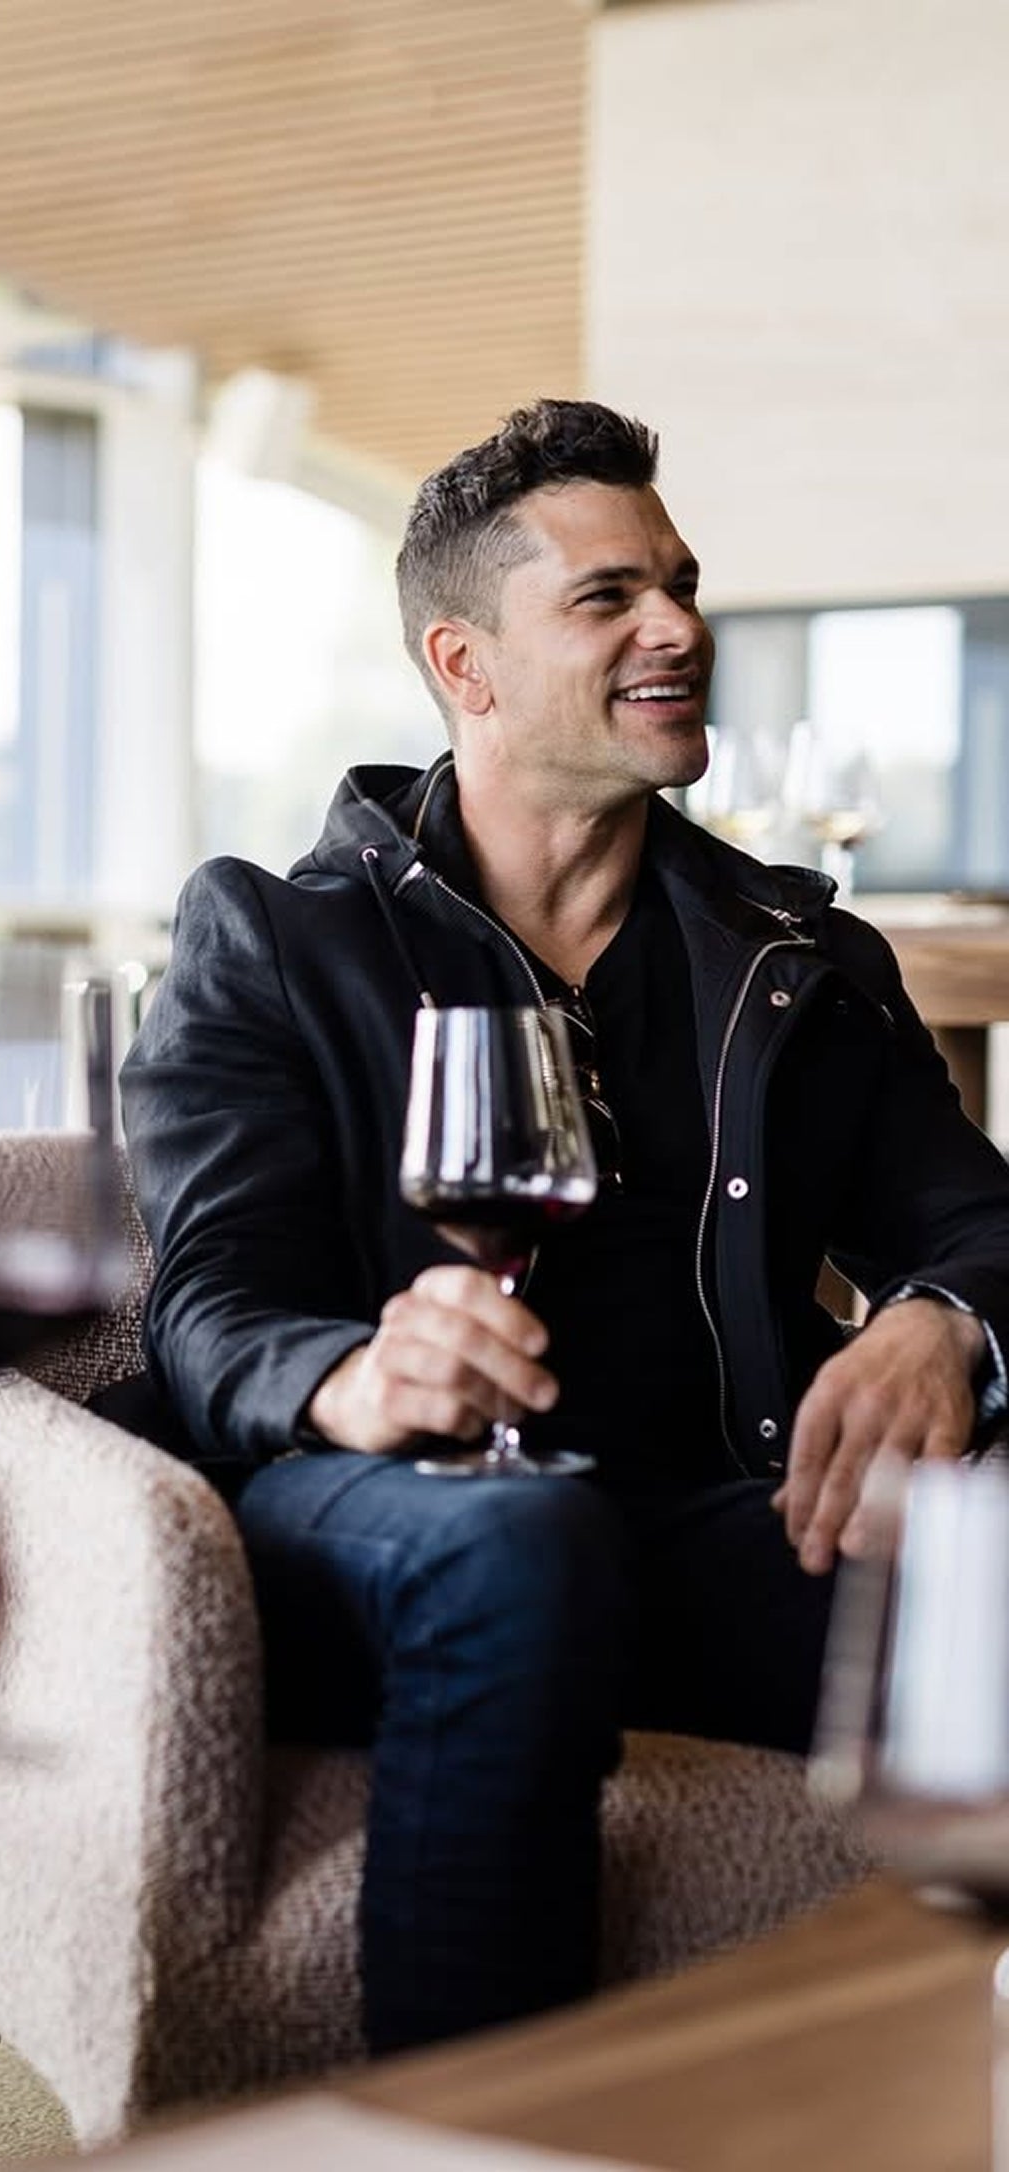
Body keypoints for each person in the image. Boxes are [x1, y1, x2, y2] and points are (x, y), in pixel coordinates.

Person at [119, 398, 1009, 2056]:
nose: (676, 625)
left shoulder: (801, 958)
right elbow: (210, 1308)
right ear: (464, 666)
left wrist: (936, 1322)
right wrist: (355, 1380)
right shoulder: (271, 939)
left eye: (676, 584)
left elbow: (983, 1229)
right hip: (386, 1523)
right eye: (605, 598)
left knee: (989, 1562)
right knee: (519, 1546)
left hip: (706, 1526)